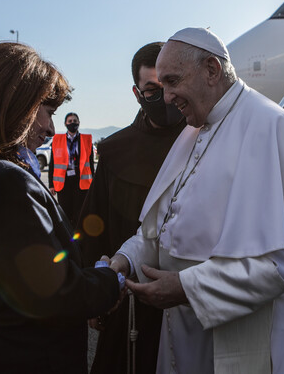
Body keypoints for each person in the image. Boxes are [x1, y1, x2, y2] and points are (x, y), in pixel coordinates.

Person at [107, 28, 284, 373]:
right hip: (186, 327)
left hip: (253, 329)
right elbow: (160, 229)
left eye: (173, 81)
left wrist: (188, 288)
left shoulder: (273, 126)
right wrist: (125, 260)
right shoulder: (192, 132)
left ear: (212, 70)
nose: (168, 97)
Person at [0, 43, 120, 374]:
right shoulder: (6, 182)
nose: (51, 130)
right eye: (48, 113)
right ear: (15, 105)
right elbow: (55, 294)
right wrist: (111, 279)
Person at [78, 42, 185, 374]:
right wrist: (96, 291)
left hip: (188, 297)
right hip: (128, 298)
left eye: (170, 84)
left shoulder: (201, 140)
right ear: (137, 94)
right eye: (152, 89)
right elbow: (92, 225)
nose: (165, 97)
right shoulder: (115, 150)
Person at [48, 112, 95, 225]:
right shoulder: (57, 140)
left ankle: (78, 238)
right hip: (64, 182)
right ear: (65, 124)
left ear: (78, 123)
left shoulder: (86, 140)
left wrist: (93, 183)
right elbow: (52, 164)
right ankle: (68, 237)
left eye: (75, 121)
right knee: (65, 211)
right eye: (70, 121)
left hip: (81, 182)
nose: (72, 123)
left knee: (80, 212)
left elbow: (91, 164)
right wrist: (51, 185)